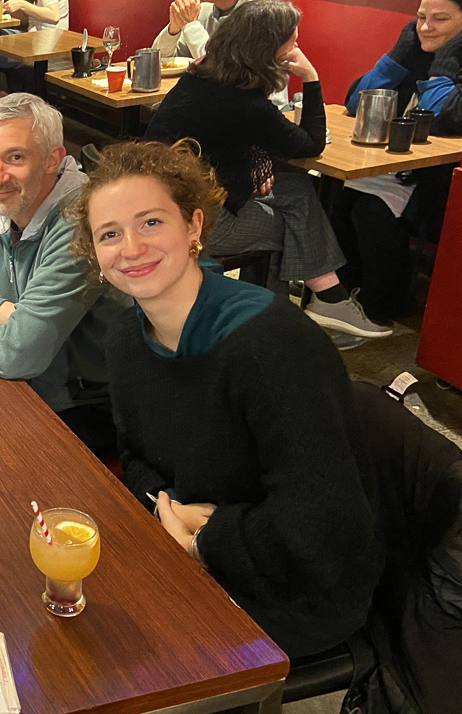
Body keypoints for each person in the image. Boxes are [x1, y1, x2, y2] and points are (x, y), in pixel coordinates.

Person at [68, 140, 383, 658]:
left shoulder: (269, 343)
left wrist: (207, 541)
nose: (131, 248)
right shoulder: (126, 338)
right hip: (189, 543)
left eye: (151, 222)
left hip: (293, 590)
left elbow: (327, 528)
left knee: (110, 657)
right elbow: (138, 457)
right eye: (110, 234)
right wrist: (170, 515)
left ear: (193, 226)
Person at [145, 0, 391, 339]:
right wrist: (311, 78)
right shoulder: (245, 102)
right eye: (292, 41)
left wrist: (256, 155)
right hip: (191, 222)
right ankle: (294, 315)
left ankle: (308, 308)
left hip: (162, 199)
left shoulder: (203, 76)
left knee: (299, 190)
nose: (296, 49)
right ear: (267, 48)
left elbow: (229, 138)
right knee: (290, 226)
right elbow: (311, 145)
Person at [0, 93, 129, 457]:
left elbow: (17, 356)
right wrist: (1, 310)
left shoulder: (80, 224)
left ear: (53, 159)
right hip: (28, 382)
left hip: (86, 403)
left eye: (15, 157)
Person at [329, 0, 462, 321]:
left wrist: (446, 61)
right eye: (420, 17)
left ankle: (380, 309)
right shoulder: (414, 54)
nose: (425, 27)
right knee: (336, 199)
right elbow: (356, 103)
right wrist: (397, 56)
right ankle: (341, 297)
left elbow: (438, 117)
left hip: (438, 180)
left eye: (440, 19)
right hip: (391, 168)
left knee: (371, 210)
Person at [0, 0, 69, 95]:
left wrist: (22, 4)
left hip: (49, 41)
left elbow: (54, 15)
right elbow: (29, 19)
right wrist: (9, 12)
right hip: (33, 38)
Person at [152, 0, 251, 61]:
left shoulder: (254, 14)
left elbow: (218, 66)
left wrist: (190, 24)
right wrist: (174, 29)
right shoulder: (202, 10)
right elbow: (158, 59)